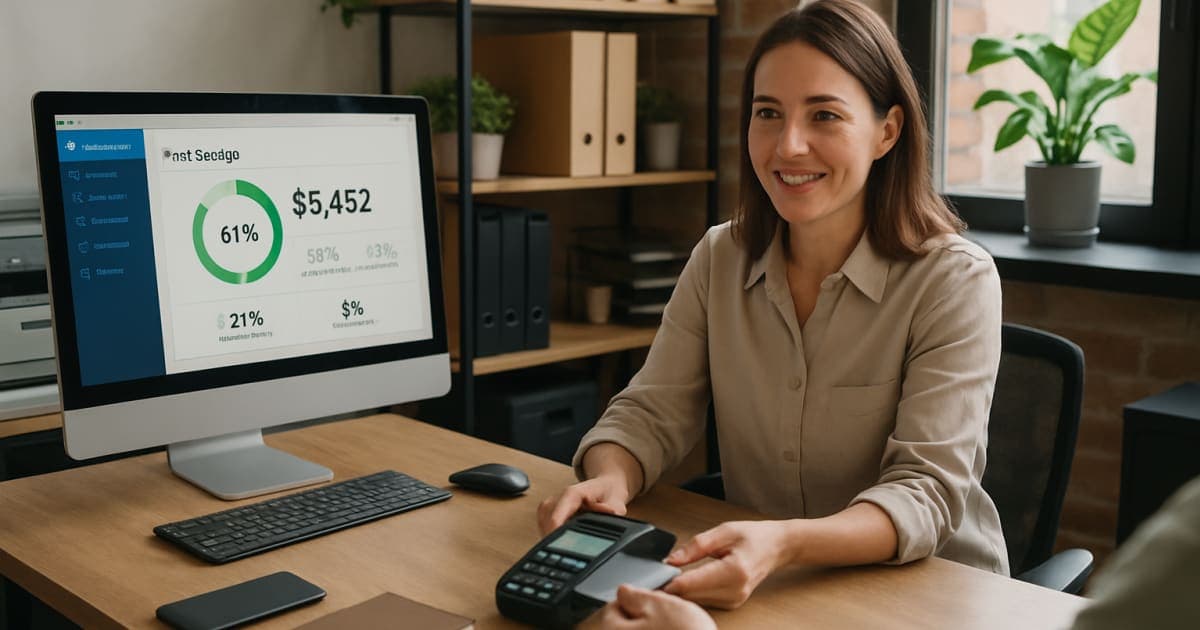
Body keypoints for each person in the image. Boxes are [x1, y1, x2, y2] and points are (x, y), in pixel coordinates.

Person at [541, 0, 1009, 616]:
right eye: (768, 113)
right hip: (768, 587)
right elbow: (650, 411)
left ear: (887, 132)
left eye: (825, 115)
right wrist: (610, 476)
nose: (789, 146)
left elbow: (925, 494)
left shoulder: (954, 280)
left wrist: (784, 543)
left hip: (928, 597)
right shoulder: (720, 256)